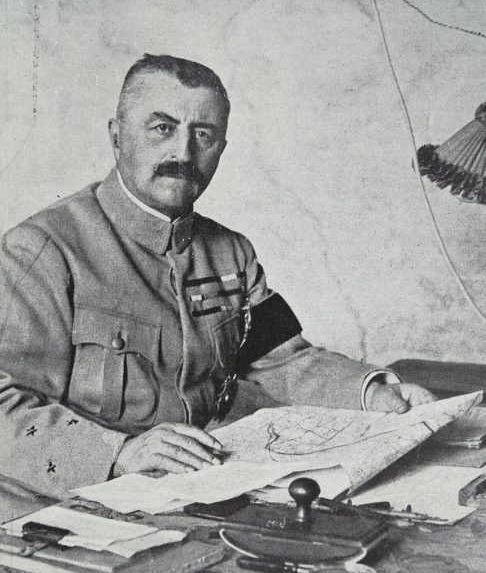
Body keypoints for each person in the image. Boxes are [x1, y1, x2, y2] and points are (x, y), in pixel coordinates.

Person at [0, 54, 434, 518]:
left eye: (202, 135)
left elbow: (285, 360)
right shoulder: (42, 251)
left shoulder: (231, 252)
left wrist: (374, 393)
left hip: (184, 504)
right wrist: (119, 453)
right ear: (116, 136)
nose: (183, 153)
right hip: (54, 515)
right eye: (162, 128)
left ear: (221, 149)